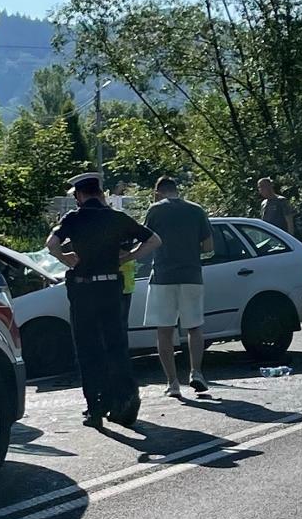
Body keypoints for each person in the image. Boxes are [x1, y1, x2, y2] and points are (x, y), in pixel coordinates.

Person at [48, 173, 160, 428]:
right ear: (99, 194)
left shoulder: (73, 218)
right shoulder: (116, 217)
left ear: (79, 195)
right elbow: (154, 240)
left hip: (83, 290)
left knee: (88, 348)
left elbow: (52, 244)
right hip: (110, 287)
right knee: (115, 344)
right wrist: (129, 257)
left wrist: (66, 259)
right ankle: (125, 397)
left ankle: (95, 407)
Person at [143, 177, 215, 397]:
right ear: (176, 190)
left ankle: (172, 383)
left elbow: (146, 240)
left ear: (158, 192)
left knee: (164, 331)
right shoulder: (196, 210)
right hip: (191, 274)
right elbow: (208, 246)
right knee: (194, 327)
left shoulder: (155, 211)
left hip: (163, 276)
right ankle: (196, 372)